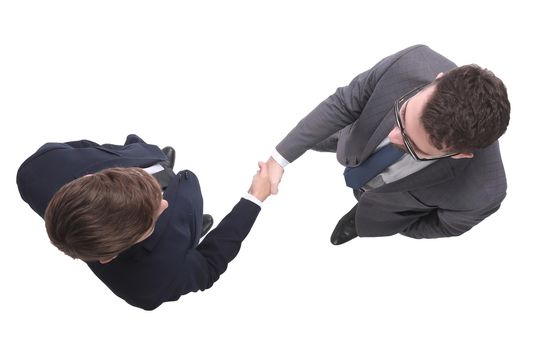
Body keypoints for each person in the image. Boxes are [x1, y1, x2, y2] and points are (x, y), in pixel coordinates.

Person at [265, 44, 510, 245]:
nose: (393, 137)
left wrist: (388, 222)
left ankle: (359, 219)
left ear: (460, 155)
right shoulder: (410, 63)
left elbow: (442, 226)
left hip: (383, 209)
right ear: (438, 80)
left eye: (413, 147)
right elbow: (344, 104)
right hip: (357, 140)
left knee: (367, 214)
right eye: (402, 115)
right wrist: (280, 158)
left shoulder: (483, 194)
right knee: (322, 137)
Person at [17, 134, 271, 310]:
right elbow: (209, 264)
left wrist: (140, 159)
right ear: (107, 257)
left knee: (148, 155)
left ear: (90, 177)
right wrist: (255, 198)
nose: (165, 203)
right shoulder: (150, 285)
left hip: (127, 159)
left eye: (147, 186)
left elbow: (95, 148)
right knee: (180, 197)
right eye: (151, 220)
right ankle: (193, 231)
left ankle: (153, 166)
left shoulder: (36, 170)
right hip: (178, 237)